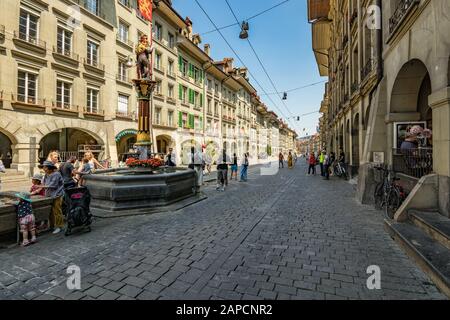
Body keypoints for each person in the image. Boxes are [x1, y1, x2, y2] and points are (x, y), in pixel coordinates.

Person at [41, 161, 65, 234]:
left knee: (57, 211)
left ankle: (59, 226)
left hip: (57, 195)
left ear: (50, 168)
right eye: (43, 167)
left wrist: (41, 186)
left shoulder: (56, 174)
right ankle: (52, 225)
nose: (44, 169)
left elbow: (53, 185)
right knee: (51, 211)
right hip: (49, 195)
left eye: (45, 167)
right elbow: (44, 183)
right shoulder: (46, 174)